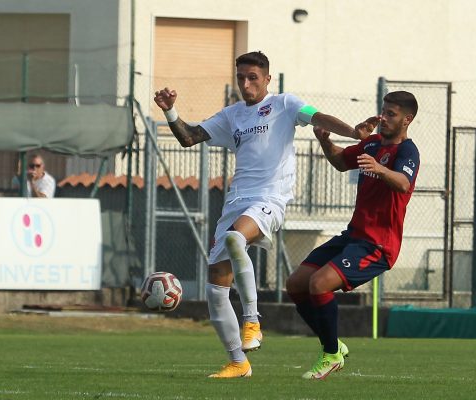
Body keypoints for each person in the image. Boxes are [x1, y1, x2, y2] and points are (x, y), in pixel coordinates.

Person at [153, 51, 368, 378]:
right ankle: (238, 362)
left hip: (270, 198)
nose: (246, 83)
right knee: (215, 290)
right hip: (235, 202)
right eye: (241, 77)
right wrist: (170, 111)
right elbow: (189, 137)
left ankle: (252, 321)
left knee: (236, 238)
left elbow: (319, 117)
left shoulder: (285, 104)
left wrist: (353, 133)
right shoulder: (232, 115)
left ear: (267, 78)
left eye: (253, 77)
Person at [286, 91, 420, 380]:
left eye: (392, 114)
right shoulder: (370, 143)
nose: (384, 117)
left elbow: (403, 182)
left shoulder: (408, 152)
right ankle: (333, 348)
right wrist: (325, 142)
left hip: (378, 245)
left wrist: (381, 169)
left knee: (319, 284)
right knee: (296, 284)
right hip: (352, 236)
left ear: (407, 120)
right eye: (384, 111)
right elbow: (339, 161)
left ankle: (331, 354)